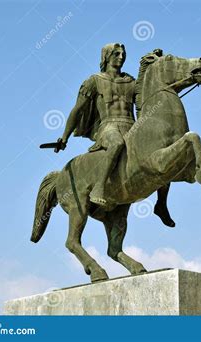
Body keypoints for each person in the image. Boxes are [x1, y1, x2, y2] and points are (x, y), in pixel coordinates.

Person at [58, 43, 175, 227]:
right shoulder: (94, 81)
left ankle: (161, 204)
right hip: (108, 127)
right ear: (106, 56)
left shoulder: (130, 81)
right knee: (117, 143)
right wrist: (64, 137)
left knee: (162, 152)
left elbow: (144, 98)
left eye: (123, 53)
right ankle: (99, 187)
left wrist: (149, 65)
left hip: (132, 126)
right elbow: (77, 110)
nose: (121, 57)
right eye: (116, 53)